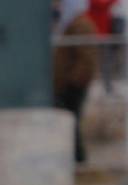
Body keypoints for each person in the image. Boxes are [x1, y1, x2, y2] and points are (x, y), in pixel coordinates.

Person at [54, 0, 99, 163]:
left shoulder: (81, 25)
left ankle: (79, 161)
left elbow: (87, 60)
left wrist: (73, 82)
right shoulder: (70, 24)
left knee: (73, 124)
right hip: (67, 84)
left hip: (74, 86)